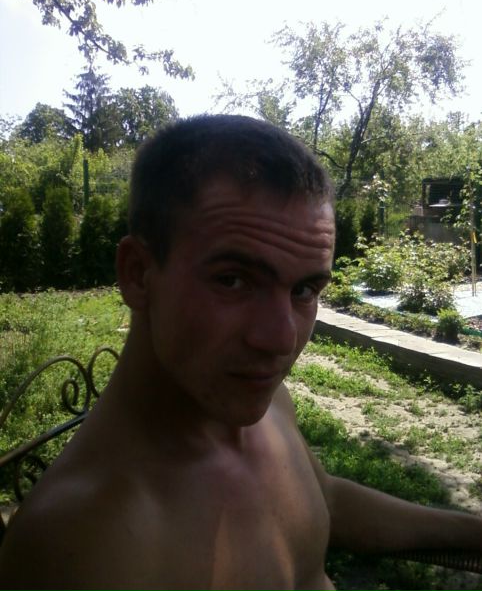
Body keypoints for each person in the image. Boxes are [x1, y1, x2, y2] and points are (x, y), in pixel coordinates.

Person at [0, 115, 480, 591]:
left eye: (304, 290)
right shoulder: (84, 545)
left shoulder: (269, 404)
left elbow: (324, 500)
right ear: (138, 274)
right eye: (233, 281)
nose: (281, 339)